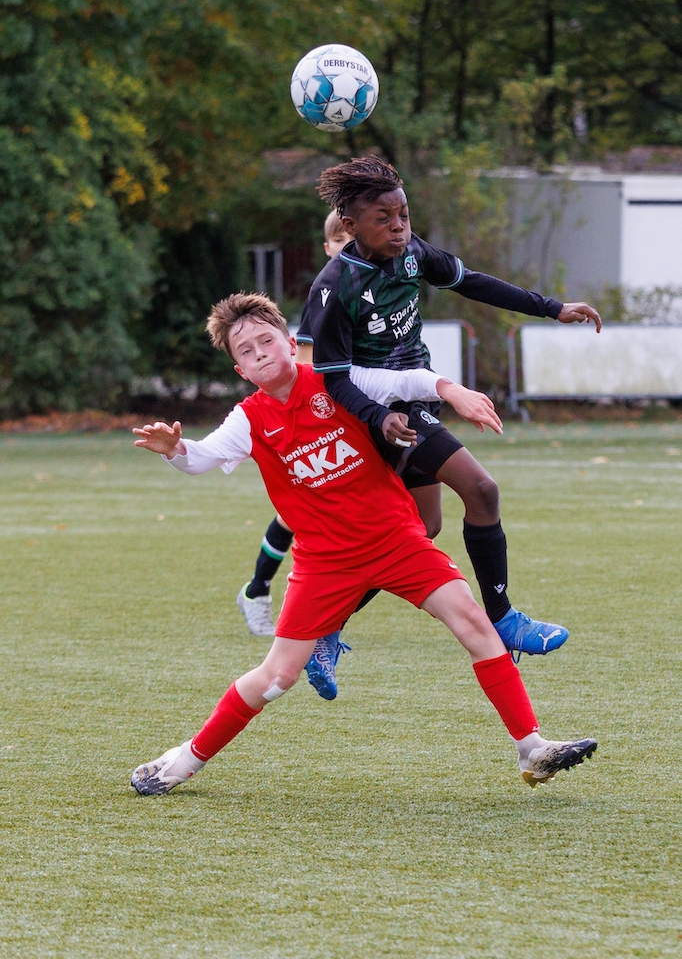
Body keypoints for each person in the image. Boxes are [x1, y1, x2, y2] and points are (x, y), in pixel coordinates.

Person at [130, 292, 597, 796]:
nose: (260, 352)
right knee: (277, 677)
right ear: (240, 370)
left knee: (474, 623)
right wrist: (175, 449)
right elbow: (200, 457)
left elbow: (407, 381)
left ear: (290, 342)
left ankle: (531, 747)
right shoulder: (249, 419)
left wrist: (454, 391)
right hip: (324, 563)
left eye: (267, 340)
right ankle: (184, 760)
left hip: (397, 542)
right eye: (247, 351)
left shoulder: (336, 381)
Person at [301, 155, 603, 674]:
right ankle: (503, 618)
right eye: (383, 219)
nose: (399, 228)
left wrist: (551, 307)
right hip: (376, 414)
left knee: (422, 526)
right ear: (349, 225)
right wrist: (377, 417)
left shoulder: (412, 253)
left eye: (404, 215)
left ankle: (325, 627)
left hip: (416, 402)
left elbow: (473, 282)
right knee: (481, 489)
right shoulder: (334, 288)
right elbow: (332, 379)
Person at [235, 210, 350, 637]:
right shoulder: (325, 294)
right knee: (296, 515)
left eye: (354, 240)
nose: (348, 248)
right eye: (340, 240)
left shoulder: (374, 287)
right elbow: (302, 364)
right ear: (327, 248)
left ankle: (313, 612)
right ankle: (260, 590)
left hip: (357, 417)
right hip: (319, 419)